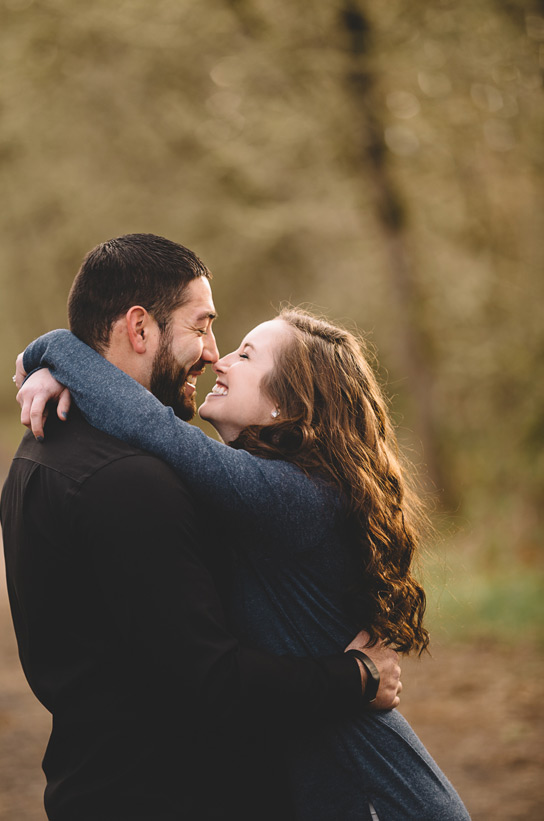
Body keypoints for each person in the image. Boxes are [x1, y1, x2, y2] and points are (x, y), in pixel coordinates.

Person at [1, 233, 405, 821]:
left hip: (90, 782)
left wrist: (58, 360)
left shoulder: (37, 450)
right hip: (176, 794)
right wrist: (353, 679)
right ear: (140, 330)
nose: (214, 353)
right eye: (203, 326)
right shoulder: (133, 481)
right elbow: (210, 680)